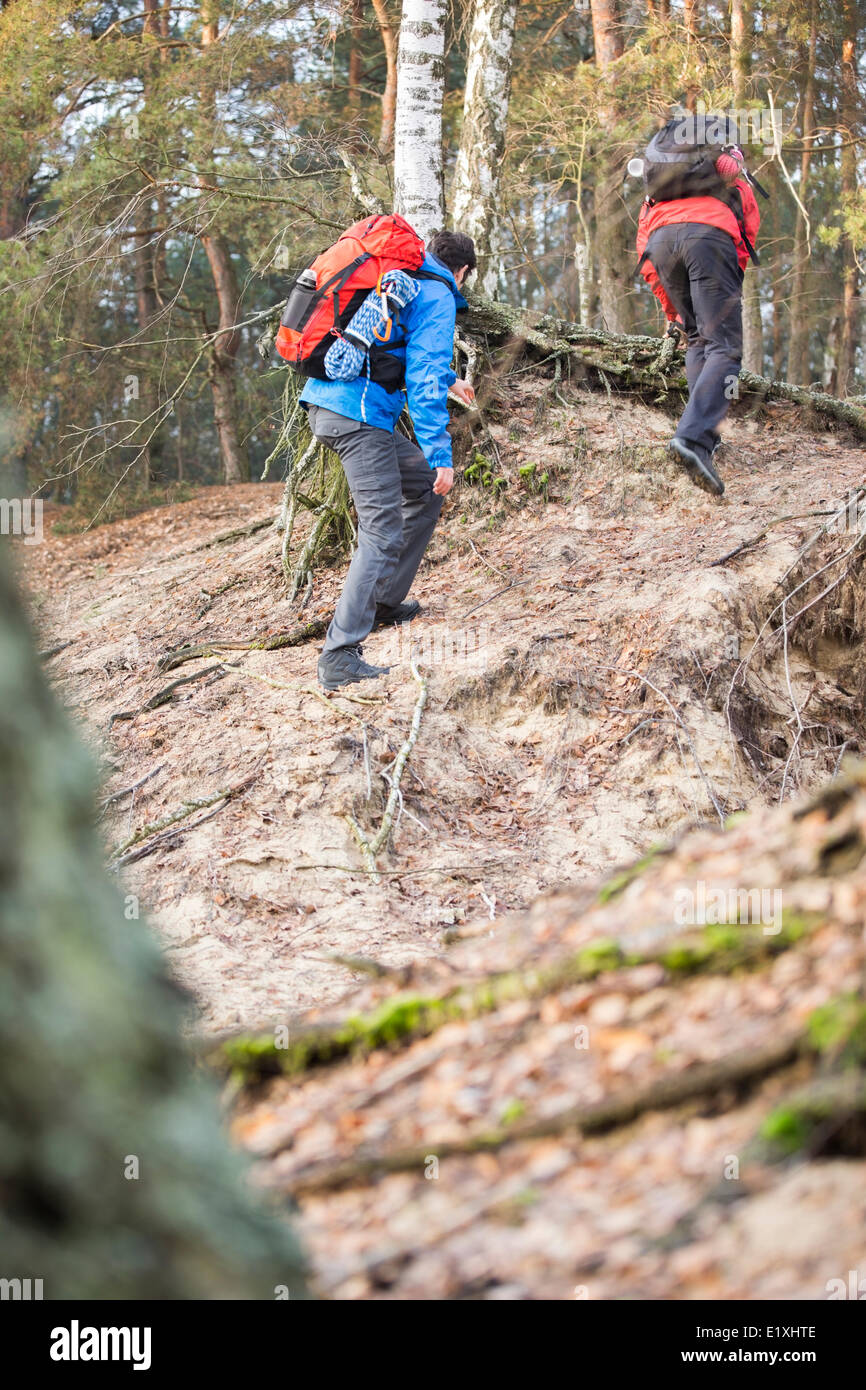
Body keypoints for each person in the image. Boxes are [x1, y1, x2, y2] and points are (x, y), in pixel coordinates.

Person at [301, 229, 477, 690]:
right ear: (462, 272)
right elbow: (420, 378)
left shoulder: (404, 277)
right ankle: (339, 655)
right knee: (381, 528)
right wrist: (440, 454)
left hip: (332, 404)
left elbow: (391, 344)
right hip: (357, 416)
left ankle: (382, 601)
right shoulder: (438, 292)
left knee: (421, 488)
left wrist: (452, 379)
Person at [636, 145, 761, 496]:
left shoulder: (660, 188)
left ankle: (704, 435)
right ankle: (694, 437)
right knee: (725, 346)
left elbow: (644, 248)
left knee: (698, 339)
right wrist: (730, 282)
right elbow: (747, 231)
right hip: (710, 239)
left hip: (662, 243)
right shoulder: (732, 177)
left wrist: (670, 309)